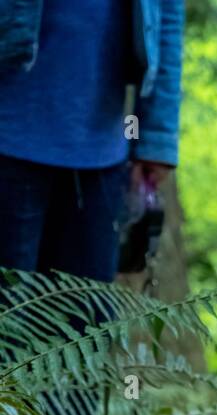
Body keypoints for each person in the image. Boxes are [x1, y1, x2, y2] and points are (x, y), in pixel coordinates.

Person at [0, 0, 185, 283]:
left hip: (103, 156)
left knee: (90, 322)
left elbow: (167, 14)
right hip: (9, 142)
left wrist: (154, 135)